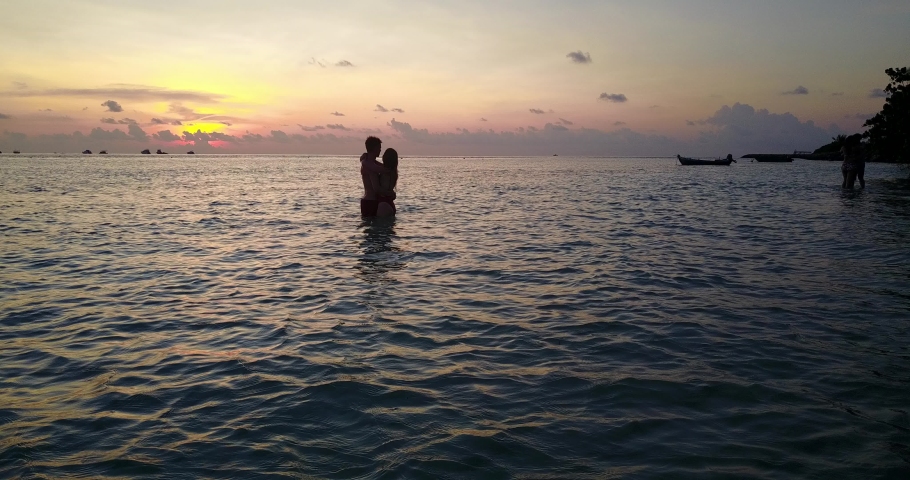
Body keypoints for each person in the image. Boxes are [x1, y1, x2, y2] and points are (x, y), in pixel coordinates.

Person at [360, 136, 388, 216]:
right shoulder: (369, 165)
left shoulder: (371, 162)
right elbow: (376, 188)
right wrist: (389, 193)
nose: (380, 150)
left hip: (369, 200)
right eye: (379, 148)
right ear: (374, 148)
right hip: (370, 201)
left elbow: (383, 167)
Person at [376, 148, 398, 217]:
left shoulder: (384, 172)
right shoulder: (393, 172)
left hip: (383, 203)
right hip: (390, 203)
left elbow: (383, 190)